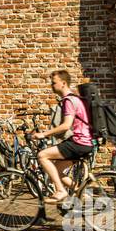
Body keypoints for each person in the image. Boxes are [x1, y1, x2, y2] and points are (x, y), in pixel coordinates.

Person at [34, 70, 95, 211]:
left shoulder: (69, 100)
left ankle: (61, 191)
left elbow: (66, 125)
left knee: (42, 155)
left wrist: (44, 134)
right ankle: (82, 192)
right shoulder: (76, 98)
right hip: (85, 142)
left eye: (53, 82)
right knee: (56, 170)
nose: (51, 85)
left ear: (63, 83)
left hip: (79, 143)